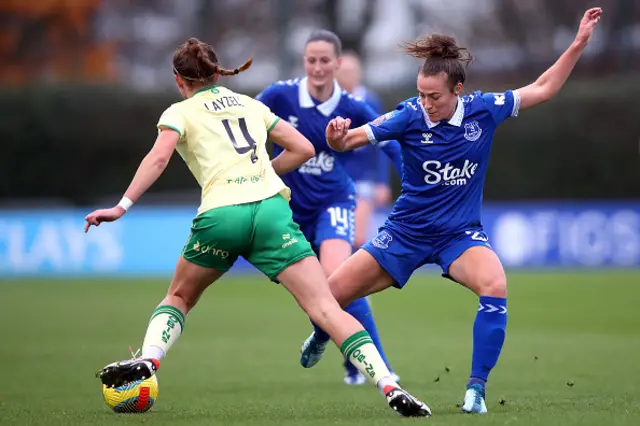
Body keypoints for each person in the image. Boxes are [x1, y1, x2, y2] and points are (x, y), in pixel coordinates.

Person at [85, 37, 430, 417]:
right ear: (218, 74)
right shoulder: (250, 103)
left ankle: (150, 361)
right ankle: (388, 383)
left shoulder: (179, 112)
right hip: (271, 212)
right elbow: (303, 149)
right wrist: (264, 174)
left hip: (222, 215)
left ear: (178, 79)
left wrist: (122, 206)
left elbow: (158, 158)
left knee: (180, 297)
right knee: (325, 306)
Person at [300, 8, 602, 414]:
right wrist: (335, 139)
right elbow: (349, 142)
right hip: (404, 234)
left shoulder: (485, 109)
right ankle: (322, 333)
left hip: (459, 235)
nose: (425, 103)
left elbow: (543, 88)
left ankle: (475, 391)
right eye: (421, 94)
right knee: (327, 297)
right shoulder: (408, 114)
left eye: (434, 96)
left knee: (495, 284)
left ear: (457, 90)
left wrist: (579, 42)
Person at [256, 30, 402, 386]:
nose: (318, 67)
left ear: (337, 64)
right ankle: (341, 349)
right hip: (288, 208)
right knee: (314, 291)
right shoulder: (280, 95)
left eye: (325, 61)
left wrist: (413, 182)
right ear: (304, 61)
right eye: (311, 60)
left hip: (334, 201)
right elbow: (243, 124)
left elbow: (391, 139)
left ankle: (370, 362)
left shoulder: (351, 106)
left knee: (338, 283)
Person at [335, 51, 398, 384]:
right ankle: (357, 362)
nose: (346, 74)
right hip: (334, 191)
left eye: (351, 69)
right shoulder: (332, 101)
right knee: (340, 282)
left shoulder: (367, 99)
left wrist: (382, 183)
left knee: (350, 265)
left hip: (360, 190)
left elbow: (385, 141)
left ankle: (357, 364)